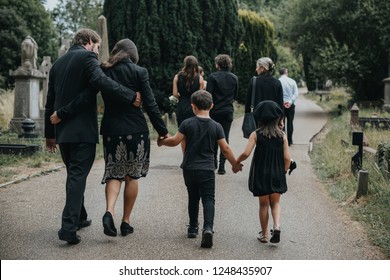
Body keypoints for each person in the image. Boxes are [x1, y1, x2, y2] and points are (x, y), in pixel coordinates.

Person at [45, 28, 141, 245]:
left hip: (62, 133)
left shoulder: (58, 64)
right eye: (97, 47)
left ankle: (80, 217)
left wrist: (49, 135)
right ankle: (68, 228)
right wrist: (129, 95)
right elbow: (101, 83)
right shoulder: (88, 57)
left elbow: (50, 100)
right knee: (77, 177)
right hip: (82, 132)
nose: (98, 52)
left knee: (74, 175)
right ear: (90, 42)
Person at [98, 39, 169, 237]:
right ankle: (126, 222)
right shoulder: (139, 72)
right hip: (136, 130)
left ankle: (109, 211)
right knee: (132, 176)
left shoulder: (104, 70)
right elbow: (151, 104)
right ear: (133, 54)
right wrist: (162, 131)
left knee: (114, 172)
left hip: (112, 129)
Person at [158, 90, 240, 248]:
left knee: (193, 197)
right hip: (207, 169)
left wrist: (162, 142)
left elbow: (175, 141)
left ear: (193, 107)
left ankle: (192, 228)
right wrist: (235, 163)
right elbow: (225, 149)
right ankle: (207, 228)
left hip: (189, 168)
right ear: (212, 106)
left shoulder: (187, 123)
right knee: (208, 199)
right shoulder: (216, 126)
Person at [234, 100, 292, 244]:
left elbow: (246, 153)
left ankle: (265, 235)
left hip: (261, 173)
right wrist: (283, 171)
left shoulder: (256, 134)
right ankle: (277, 226)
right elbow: (287, 158)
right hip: (277, 173)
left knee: (264, 204)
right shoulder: (282, 136)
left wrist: (236, 161)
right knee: (276, 203)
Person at [206, 54, 238, 174]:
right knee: (225, 137)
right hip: (227, 110)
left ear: (217, 64)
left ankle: (213, 162)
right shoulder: (234, 78)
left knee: (213, 137)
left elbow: (208, 95)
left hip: (214, 111)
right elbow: (235, 95)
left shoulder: (212, 77)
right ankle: (222, 166)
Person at [172, 55, 205, 126]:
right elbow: (200, 95)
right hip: (194, 107)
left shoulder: (177, 77)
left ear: (185, 64)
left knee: (182, 130)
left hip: (181, 106)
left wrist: (181, 98)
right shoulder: (200, 78)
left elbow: (175, 94)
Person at [279, 68, 299, 146]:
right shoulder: (292, 81)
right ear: (286, 72)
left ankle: (283, 141)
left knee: (281, 123)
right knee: (290, 123)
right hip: (290, 105)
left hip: (281, 105)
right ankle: (290, 141)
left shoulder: (278, 81)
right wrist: (290, 102)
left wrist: (282, 102)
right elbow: (296, 93)